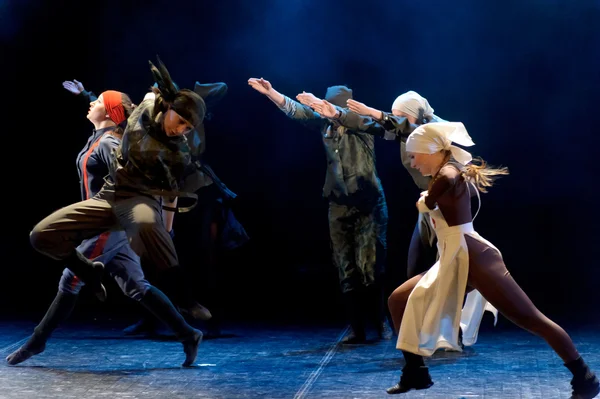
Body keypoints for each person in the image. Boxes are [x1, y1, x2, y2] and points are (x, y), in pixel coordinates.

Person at [384, 121, 598, 399]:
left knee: (531, 319)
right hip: (452, 258)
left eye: (414, 155)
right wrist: (431, 195)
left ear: (431, 151)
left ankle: (585, 377)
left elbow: (449, 177)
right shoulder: (442, 171)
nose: (412, 163)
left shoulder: (448, 171)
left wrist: (431, 197)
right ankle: (415, 372)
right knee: (398, 299)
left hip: (474, 258)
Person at [23, 58, 213, 367]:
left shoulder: (110, 143)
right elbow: (119, 109)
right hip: (105, 220)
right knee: (137, 286)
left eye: (98, 101)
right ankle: (188, 334)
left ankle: (36, 341)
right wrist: (88, 95)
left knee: (71, 278)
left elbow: (135, 183)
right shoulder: (102, 135)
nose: (92, 103)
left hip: (109, 224)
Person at [248, 77, 389, 343]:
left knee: (370, 267)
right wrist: (271, 93)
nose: (323, 112)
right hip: (338, 204)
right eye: (323, 108)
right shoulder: (323, 125)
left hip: (369, 204)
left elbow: (368, 123)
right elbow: (297, 111)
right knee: (345, 267)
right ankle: (357, 328)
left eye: (328, 108)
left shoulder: (361, 125)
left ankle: (380, 321)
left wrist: (337, 112)